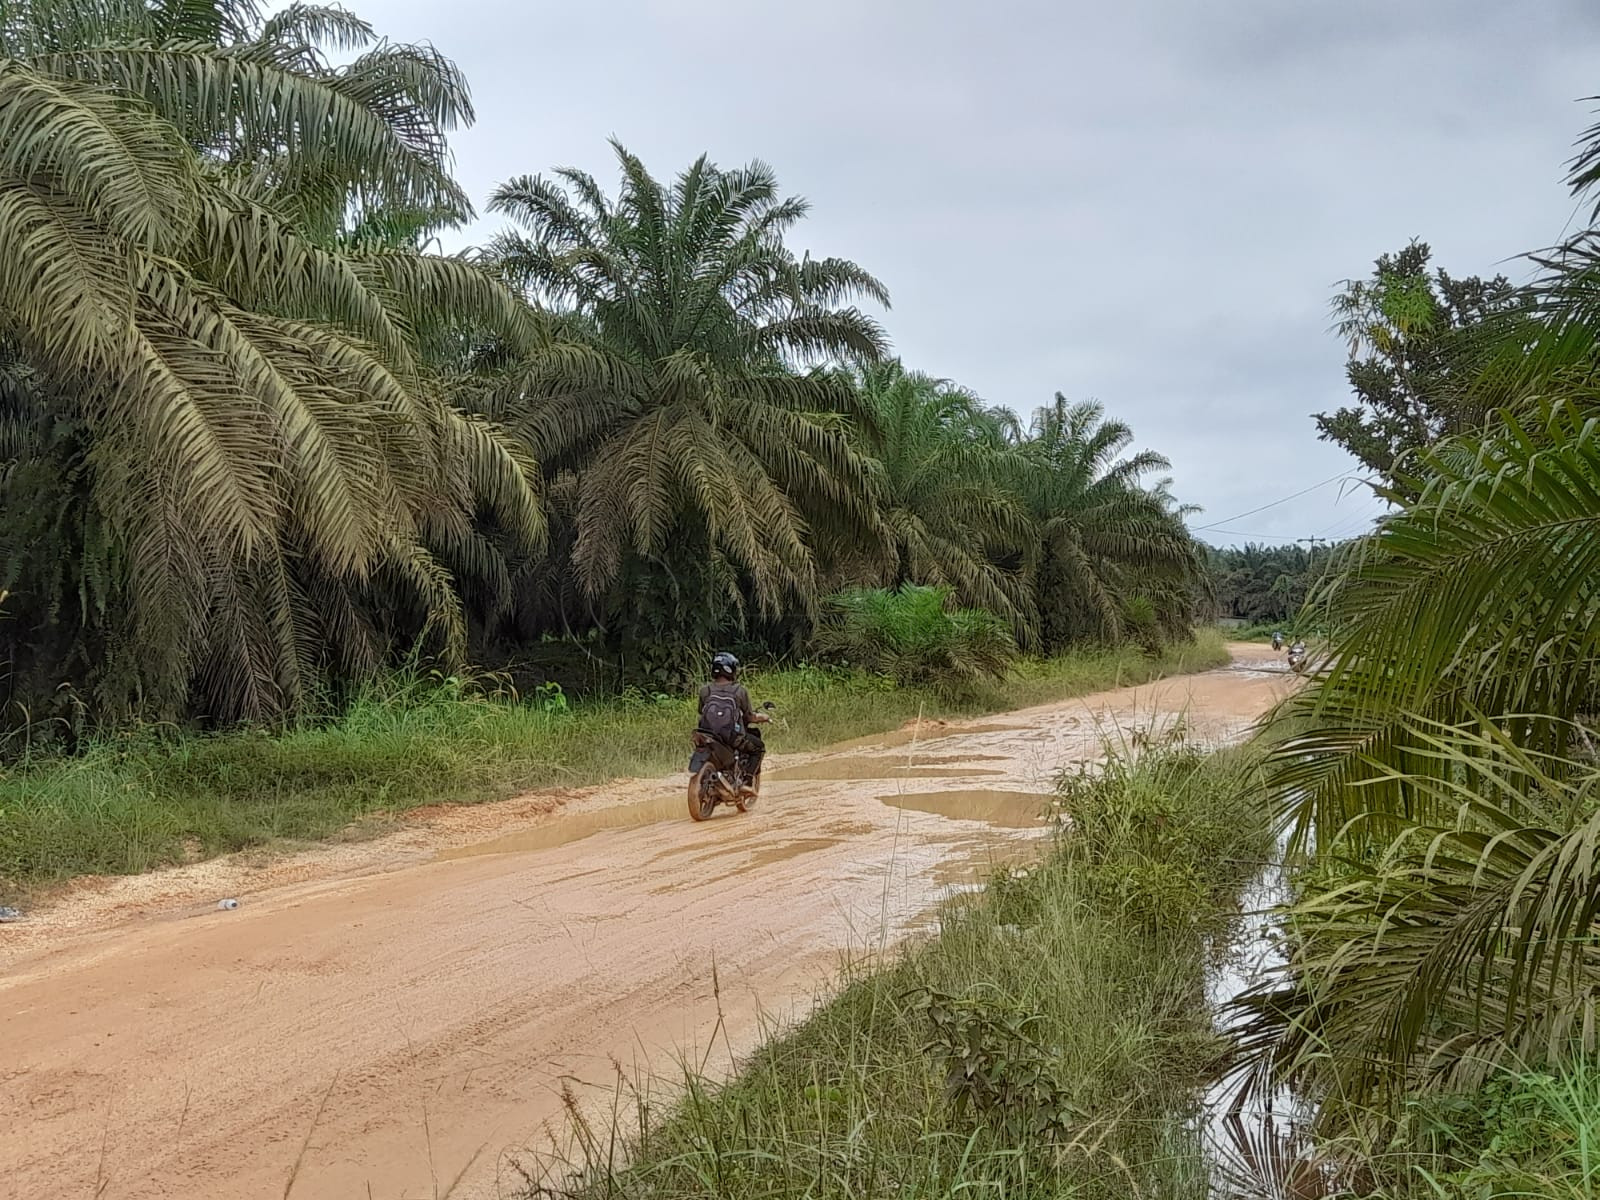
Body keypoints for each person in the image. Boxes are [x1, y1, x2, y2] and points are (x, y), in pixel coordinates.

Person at [697, 652, 769, 796]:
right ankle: (748, 782)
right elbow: (749, 717)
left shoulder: (705, 690)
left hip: (705, 735)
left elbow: (701, 711)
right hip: (731, 737)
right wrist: (764, 717)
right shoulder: (739, 691)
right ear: (731, 669)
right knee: (758, 748)